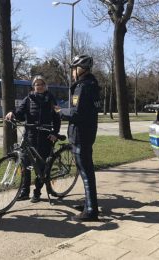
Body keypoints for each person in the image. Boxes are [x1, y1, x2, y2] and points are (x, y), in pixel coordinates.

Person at [58, 54, 101, 222]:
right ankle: (89, 203)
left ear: (81, 69)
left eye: (74, 69)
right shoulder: (93, 85)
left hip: (81, 135)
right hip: (88, 133)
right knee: (86, 171)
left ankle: (91, 210)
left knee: (86, 172)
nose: (72, 73)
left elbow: (77, 113)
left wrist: (60, 112)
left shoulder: (82, 87)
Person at [4, 75, 61, 203]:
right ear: (33, 86)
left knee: (41, 167)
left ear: (45, 86)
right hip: (29, 136)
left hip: (45, 136)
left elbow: (57, 117)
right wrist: (12, 113)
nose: (39, 86)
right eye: (36, 84)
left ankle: (37, 192)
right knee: (24, 164)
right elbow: (19, 112)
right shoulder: (28, 98)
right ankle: (25, 192)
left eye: (41, 84)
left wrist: (55, 133)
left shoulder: (51, 98)